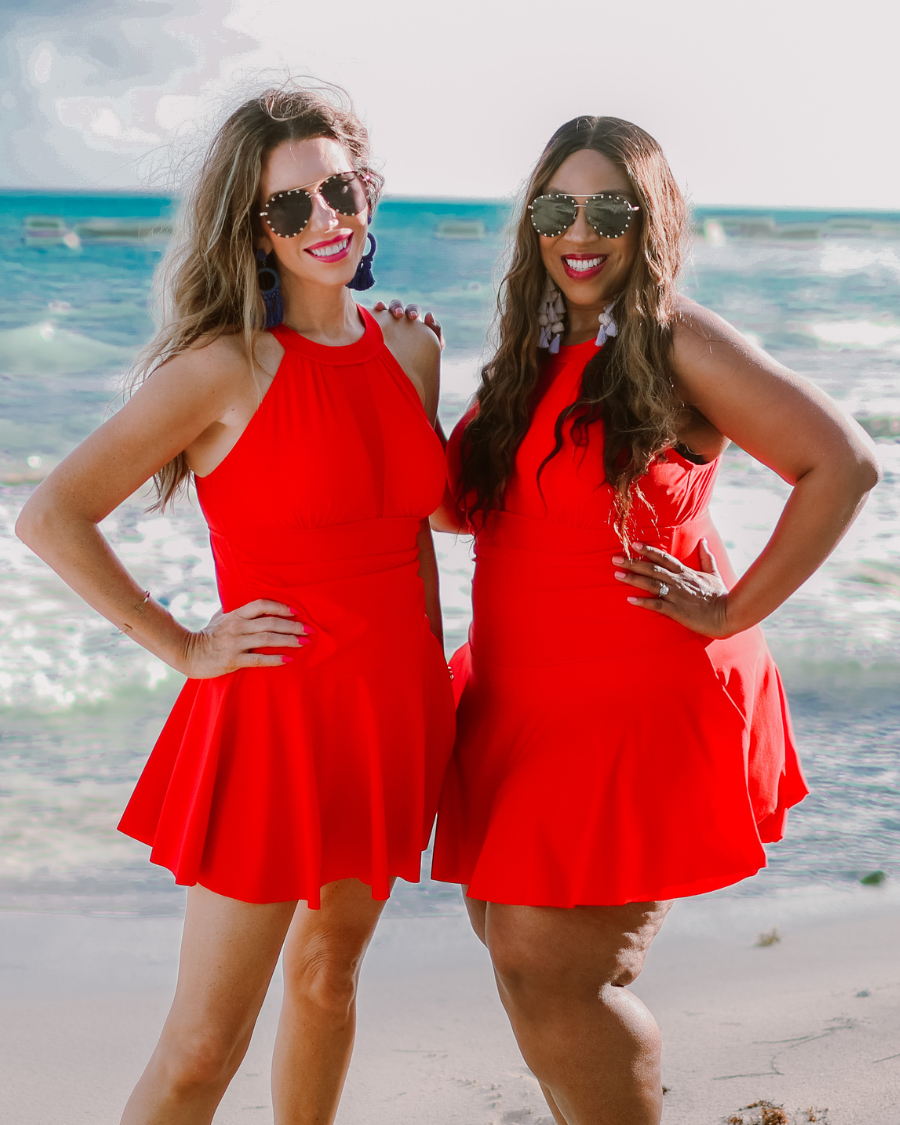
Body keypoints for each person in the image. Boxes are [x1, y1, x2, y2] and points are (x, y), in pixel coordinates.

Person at [422, 116, 880, 1125]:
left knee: (559, 971)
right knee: (513, 949)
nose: (577, 230)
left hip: (630, 708)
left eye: (608, 208)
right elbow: (458, 509)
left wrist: (730, 607)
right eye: (556, 207)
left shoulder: (673, 337)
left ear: (651, 220)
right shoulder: (535, 346)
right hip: (519, 700)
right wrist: (413, 383)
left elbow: (841, 464)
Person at [16, 82, 454, 1124]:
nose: (325, 219)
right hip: (275, 723)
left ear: (369, 188)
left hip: (390, 716)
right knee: (204, 1047)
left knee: (329, 983)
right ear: (253, 231)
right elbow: (53, 516)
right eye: (290, 206)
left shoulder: (413, 350)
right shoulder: (222, 368)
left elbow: (415, 532)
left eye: (339, 189)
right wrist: (179, 643)